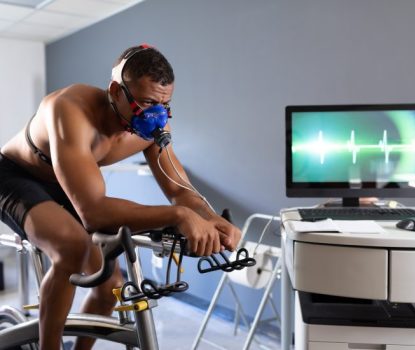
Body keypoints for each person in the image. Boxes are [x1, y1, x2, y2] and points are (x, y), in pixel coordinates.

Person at [0, 43, 241, 350]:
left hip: (66, 181)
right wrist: (179, 216)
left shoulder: (152, 125)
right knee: (72, 247)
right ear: (116, 91)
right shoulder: (70, 110)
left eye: (163, 105)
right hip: (15, 175)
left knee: (109, 285)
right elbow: (94, 212)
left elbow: (180, 189)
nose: (155, 115)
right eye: (146, 102)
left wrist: (212, 218)